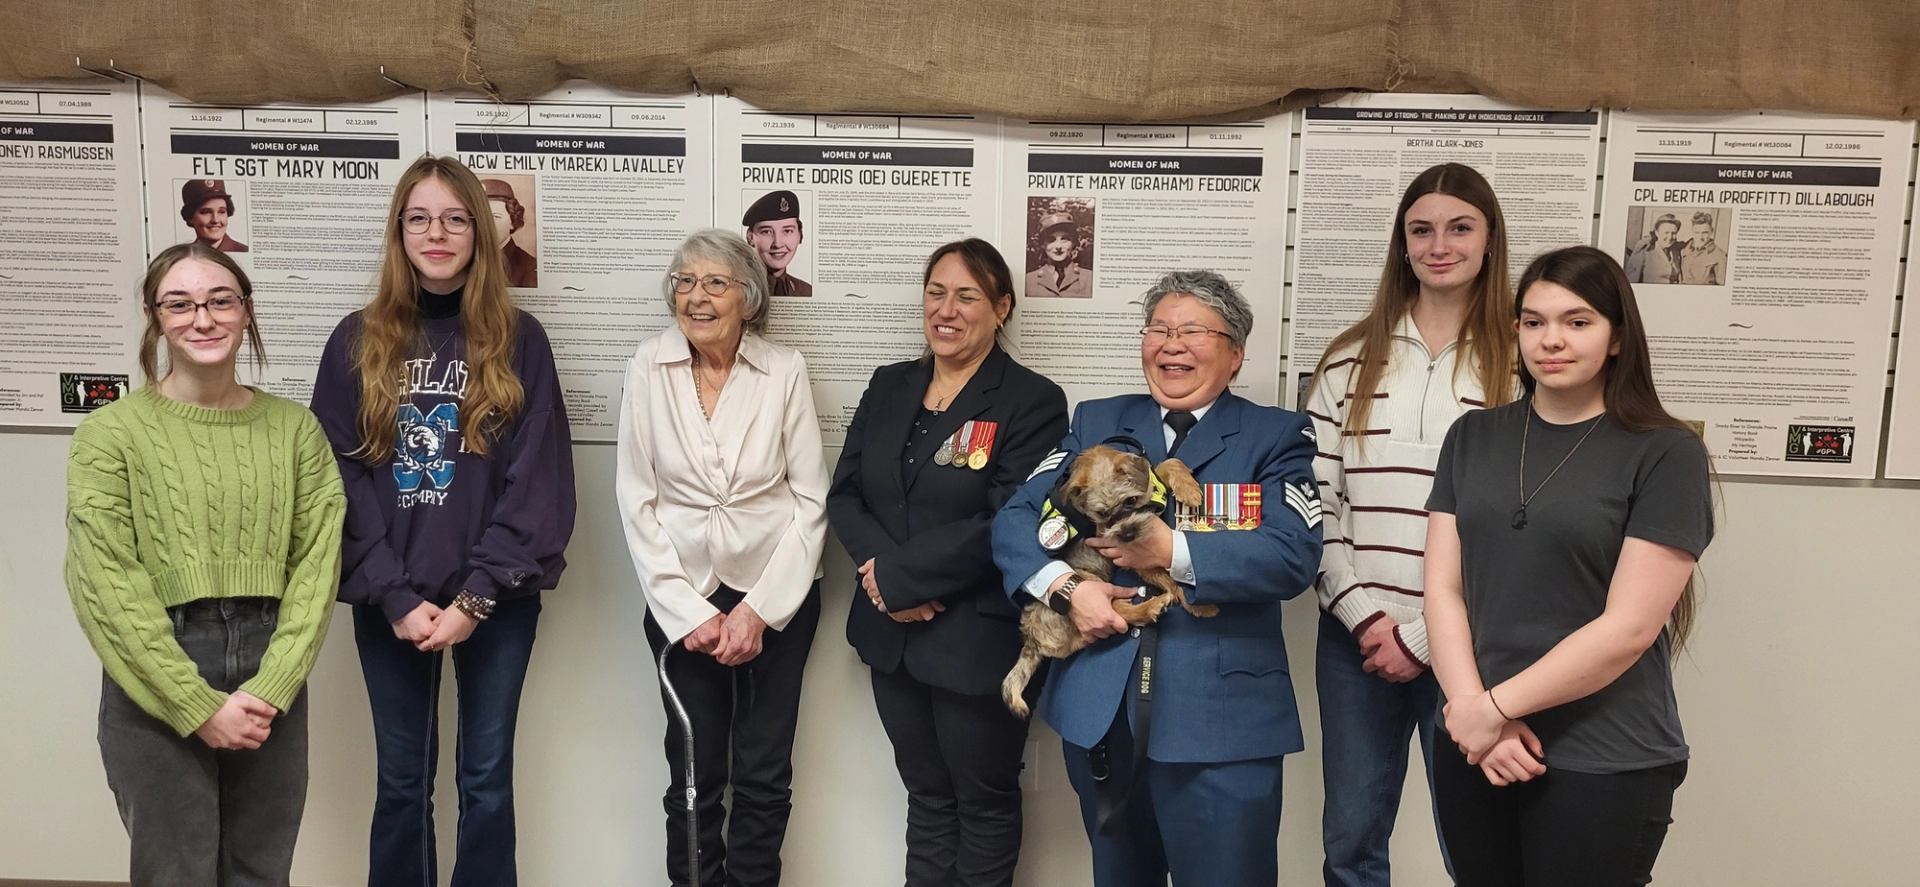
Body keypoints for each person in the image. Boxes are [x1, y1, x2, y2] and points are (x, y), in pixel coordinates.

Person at [991, 270, 1324, 886]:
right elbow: (1017, 521)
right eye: (1158, 330)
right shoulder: (1097, 422)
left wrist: (1171, 551)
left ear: (1236, 352)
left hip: (1223, 721)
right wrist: (1069, 590)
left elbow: (1292, 555)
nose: (1171, 345)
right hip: (1102, 710)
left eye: (1192, 330)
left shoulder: (1274, 435)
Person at [311, 155, 576, 887]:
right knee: (401, 783)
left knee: (486, 781)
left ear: (479, 235)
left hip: (494, 600)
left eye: (456, 218)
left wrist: (476, 596)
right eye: (421, 217)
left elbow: (539, 481)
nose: (438, 232)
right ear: (399, 231)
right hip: (390, 598)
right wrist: (394, 595)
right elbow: (338, 476)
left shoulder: (521, 340)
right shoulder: (355, 340)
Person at [1424, 245, 1713, 886]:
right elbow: (1444, 591)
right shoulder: (1472, 437)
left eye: (1577, 322)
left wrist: (1489, 708)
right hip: (1478, 745)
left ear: (1616, 337)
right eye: (1533, 322)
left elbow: (1628, 629)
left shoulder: (1666, 453)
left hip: (1605, 755)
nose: (1551, 340)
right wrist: (1473, 712)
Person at [66, 243, 344, 885]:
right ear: (154, 316)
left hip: (271, 664)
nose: (203, 318)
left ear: (246, 313)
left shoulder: (296, 430)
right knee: (176, 871)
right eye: (180, 303)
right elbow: (106, 583)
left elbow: (316, 568)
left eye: (222, 301)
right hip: (156, 669)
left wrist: (271, 688)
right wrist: (193, 704)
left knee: (260, 869)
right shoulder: (111, 434)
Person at [828, 238, 1068, 887]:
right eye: (936, 292)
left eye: (967, 295)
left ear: (1001, 308)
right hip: (892, 636)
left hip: (978, 640)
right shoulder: (890, 385)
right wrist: (885, 581)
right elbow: (845, 493)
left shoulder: (1033, 401)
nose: (947, 309)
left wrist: (903, 578)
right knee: (928, 799)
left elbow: (1007, 517)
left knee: (983, 804)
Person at [1306, 161, 1518, 887]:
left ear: (1489, 241)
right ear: (1402, 243)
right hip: (1354, 642)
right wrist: (1367, 619)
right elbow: (1318, 507)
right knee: (1352, 840)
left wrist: (1426, 637)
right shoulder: (1346, 360)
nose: (1439, 245)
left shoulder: (1521, 365)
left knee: (1480, 844)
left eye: (1460, 228)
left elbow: (1522, 523)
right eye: (1421, 229)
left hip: (1475, 643)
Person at [617, 228, 830, 887]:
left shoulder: (784, 369)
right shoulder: (646, 366)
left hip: (778, 595)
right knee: (693, 772)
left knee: (764, 771)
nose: (697, 296)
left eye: (715, 282)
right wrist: (687, 611)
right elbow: (635, 497)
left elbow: (811, 500)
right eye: (685, 282)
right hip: (680, 598)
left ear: (749, 296)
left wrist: (759, 611)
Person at [743, 189, 812, 297]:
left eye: (787, 231)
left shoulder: (806, 291)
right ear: (750, 237)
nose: (778, 244)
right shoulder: (738, 289)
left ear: (800, 235)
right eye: (766, 232)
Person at [483, 178, 538, 288]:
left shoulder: (529, 269)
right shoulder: (462, 261)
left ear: (513, 221)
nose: (485, 225)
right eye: (480, 217)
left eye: (495, 217)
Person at [1024, 211, 1092, 298]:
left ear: (1073, 243)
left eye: (1065, 239)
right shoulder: (1028, 281)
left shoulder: (1089, 278)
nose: (1058, 246)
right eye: (1051, 240)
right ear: (1042, 245)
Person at [181, 179, 249, 252]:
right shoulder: (184, 254)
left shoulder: (244, 250)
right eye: (206, 212)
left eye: (221, 212)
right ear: (190, 217)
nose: (215, 220)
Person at [1623, 213, 1681, 285]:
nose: (1670, 237)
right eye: (1666, 232)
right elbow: (1630, 283)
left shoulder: (1676, 252)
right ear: (1657, 232)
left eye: (1674, 233)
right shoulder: (1644, 252)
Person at [1677, 211, 1727, 285]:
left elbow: (1722, 287)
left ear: (1711, 231)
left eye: (1705, 233)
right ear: (1692, 232)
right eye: (1697, 233)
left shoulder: (1720, 256)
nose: (1700, 237)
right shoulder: (1684, 250)